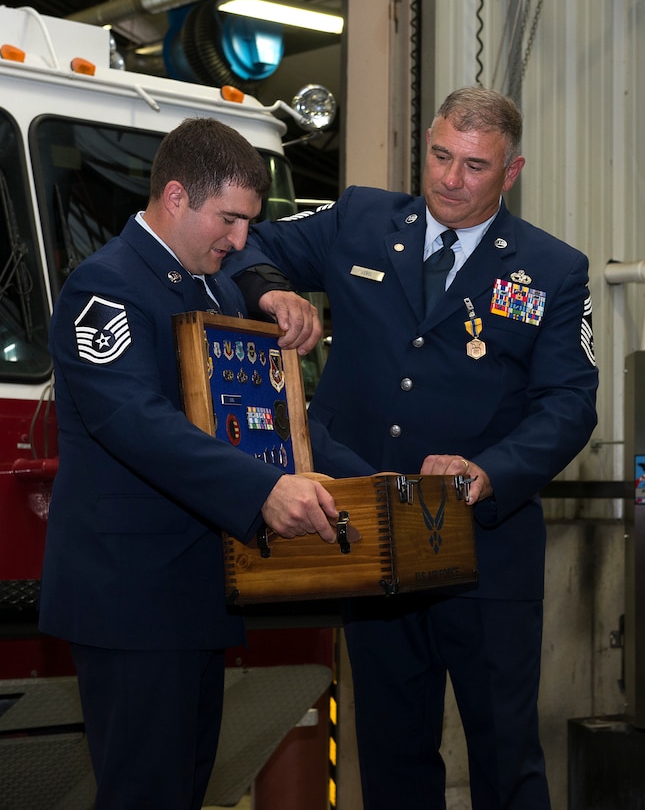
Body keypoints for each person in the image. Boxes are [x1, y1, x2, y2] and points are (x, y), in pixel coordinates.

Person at [225, 87, 599, 809]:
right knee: (393, 757)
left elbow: (569, 404)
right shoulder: (361, 220)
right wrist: (272, 294)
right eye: (438, 155)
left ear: (510, 173)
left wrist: (490, 471)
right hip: (372, 539)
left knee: (504, 757)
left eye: (473, 166)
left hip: (483, 553)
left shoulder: (551, 270)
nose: (449, 180)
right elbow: (255, 242)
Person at [38, 116, 338, 810]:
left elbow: (267, 416)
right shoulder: (104, 288)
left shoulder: (215, 290)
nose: (240, 241)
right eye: (229, 220)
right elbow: (135, 423)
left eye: (247, 224)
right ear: (175, 196)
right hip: (130, 600)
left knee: (183, 788)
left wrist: (375, 470)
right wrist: (263, 488)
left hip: (192, 593)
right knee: (144, 792)